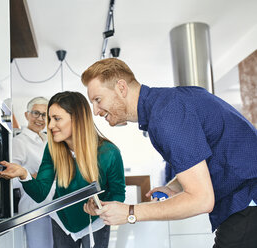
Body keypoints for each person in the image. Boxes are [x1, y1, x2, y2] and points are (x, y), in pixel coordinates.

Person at [81, 58, 257, 248]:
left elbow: (202, 199)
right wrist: (173, 187)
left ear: (121, 88)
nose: (95, 111)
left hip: (247, 201)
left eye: (98, 100)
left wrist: (130, 213)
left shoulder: (166, 117)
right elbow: (202, 159)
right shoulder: (167, 106)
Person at [0, 91, 126, 248]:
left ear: (77, 119)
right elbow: (40, 193)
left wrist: (101, 207)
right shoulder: (52, 148)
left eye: (56, 119)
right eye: (50, 119)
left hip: (96, 223)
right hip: (63, 222)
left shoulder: (109, 152)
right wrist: (24, 174)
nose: (49, 125)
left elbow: (118, 194)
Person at [11, 96, 54, 248]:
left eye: (45, 115)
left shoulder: (49, 141)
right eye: (36, 113)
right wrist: (31, 176)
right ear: (27, 115)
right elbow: (10, 180)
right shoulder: (19, 142)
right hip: (34, 209)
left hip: (54, 207)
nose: (40, 119)